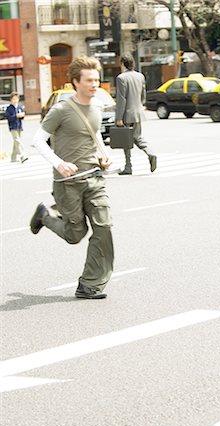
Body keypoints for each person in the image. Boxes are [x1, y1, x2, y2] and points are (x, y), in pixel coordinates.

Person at [30, 56, 114, 299]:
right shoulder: (61, 110)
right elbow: (38, 140)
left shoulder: (97, 105)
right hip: (68, 183)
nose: (94, 84)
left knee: (104, 226)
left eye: (96, 80)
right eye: (89, 80)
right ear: (75, 82)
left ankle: (90, 284)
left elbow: (95, 135)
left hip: (95, 178)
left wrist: (104, 156)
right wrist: (59, 163)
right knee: (74, 235)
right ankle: (45, 216)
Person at [115, 54, 157, 175]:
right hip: (138, 112)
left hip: (126, 114)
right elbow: (143, 94)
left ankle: (128, 166)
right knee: (137, 137)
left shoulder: (121, 78)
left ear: (123, 64)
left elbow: (121, 99)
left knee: (126, 141)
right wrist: (140, 105)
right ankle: (150, 152)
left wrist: (119, 117)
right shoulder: (140, 76)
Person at [5, 92, 28, 163]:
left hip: (19, 126)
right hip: (13, 127)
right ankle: (22, 155)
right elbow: (8, 117)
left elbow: (22, 116)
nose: (15, 100)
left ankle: (13, 157)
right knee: (17, 140)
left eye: (16, 99)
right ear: (11, 100)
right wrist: (16, 116)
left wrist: (22, 115)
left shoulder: (19, 106)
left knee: (16, 142)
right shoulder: (9, 108)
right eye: (13, 99)